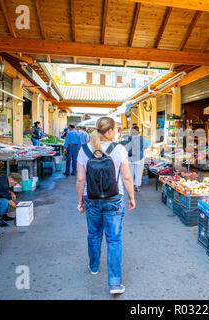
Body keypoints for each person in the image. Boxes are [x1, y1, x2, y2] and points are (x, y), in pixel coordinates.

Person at [76, 116, 135, 295]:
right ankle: (115, 283)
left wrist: (80, 201)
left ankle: (93, 266)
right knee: (114, 239)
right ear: (109, 131)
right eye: (115, 129)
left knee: (93, 235)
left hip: (91, 198)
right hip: (114, 199)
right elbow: (126, 177)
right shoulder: (119, 149)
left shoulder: (84, 150)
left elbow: (80, 179)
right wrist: (132, 197)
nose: (117, 132)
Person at [122, 125, 149, 192]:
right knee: (138, 173)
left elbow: (125, 147)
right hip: (139, 158)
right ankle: (137, 187)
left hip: (130, 158)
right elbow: (146, 146)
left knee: (131, 173)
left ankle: (130, 186)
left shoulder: (128, 138)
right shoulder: (141, 138)